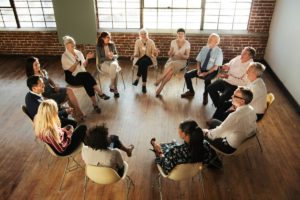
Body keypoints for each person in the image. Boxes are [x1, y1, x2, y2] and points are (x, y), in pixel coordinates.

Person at [61, 35, 110, 114]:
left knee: (86, 79)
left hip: (82, 75)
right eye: (71, 46)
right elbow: (71, 70)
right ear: (66, 46)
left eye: (73, 45)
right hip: (72, 77)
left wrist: (87, 58)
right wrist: (76, 62)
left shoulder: (78, 52)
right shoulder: (64, 56)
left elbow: (84, 65)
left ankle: (95, 104)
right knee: (86, 76)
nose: (73, 47)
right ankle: (100, 93)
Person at [150, 120, 218, 175]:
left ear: (184, 134)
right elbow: (207, 159)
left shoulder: (176, 151)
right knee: (173, 147)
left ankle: (156, 148)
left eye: (180, 129)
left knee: (162, 148)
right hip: (193, 170)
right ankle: (164, 145)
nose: (179, 129)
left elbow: (166, 167)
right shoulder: (206, 145)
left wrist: (160, 153)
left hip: (176, 172)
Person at [203, 87, 257, 154]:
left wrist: (206, 133)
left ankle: (210, 154)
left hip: (228, 146)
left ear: (242, 101)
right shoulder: (251, 109)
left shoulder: (234, 116)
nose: (231, 96)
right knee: (214, 121)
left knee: (200, 133)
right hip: (240, 139)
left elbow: (219, 132)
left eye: (234, 96)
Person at [181, 33, 223, 105]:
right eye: (211, 40)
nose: (212, 42)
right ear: (209, 40)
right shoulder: (204, 48)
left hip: (212, 71)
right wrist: (198, 70)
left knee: (207, 79)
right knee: (187, 75)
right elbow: (198, 60)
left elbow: (216, 67)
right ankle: (191, 91)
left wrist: (206, 73)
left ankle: (205, 94)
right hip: (202, 69)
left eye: (215, 41)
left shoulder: (219, 51)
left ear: (217, 42)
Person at [154, 28, 190, 97]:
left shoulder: (187, 43)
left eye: (182, 34)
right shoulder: (173, 42)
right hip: (173, 59)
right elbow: (170, 54)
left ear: (184, 34)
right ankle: (160, 89)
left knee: (171, 65)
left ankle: (160, 79)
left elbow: (187, 57)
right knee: (170, 71)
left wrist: (182, 55)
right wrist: (170, 53)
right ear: (177, 34)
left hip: (182, 61)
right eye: (179, 33)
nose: (180, 35)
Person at [132, 28, 159, 93]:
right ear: (140, 35)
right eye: (142, 34)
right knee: (143, 63)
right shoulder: (137, 41)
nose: (143, 35)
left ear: (147, 34)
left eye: (145, 34)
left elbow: (154, 54)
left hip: (149, 58)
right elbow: (136, 53)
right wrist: (134, 55)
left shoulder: (151, 41)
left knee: (143, 62)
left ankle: (137, 79)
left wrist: (156, 52)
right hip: (140, 58)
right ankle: (144, 85)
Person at [96, 31, 121, 98]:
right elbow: (99, 59)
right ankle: (115, 89)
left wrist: (113, 56)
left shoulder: (112, 44)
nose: (109, 38)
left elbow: (117, 55)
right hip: (103, 63)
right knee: (115, 71)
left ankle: (111, 85)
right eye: (107, 37)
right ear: (102, 38)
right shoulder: (98, 46)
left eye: (109, 37)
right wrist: (107, 57)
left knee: (114, 66)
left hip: (113, 61)